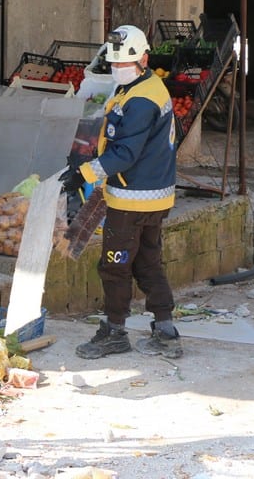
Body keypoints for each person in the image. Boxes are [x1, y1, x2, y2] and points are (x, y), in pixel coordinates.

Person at [62, 24, 182, 359]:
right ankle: (166, 330)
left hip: (132, 200)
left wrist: (84, 173)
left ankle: (115, 332)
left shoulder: (142, 99)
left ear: (144, 58)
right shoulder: (149, 86)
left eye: (124, 64)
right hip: (154, 196)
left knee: (115, 265)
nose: (118, 69)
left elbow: (126, 153)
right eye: (114, 64)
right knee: (148, 261)